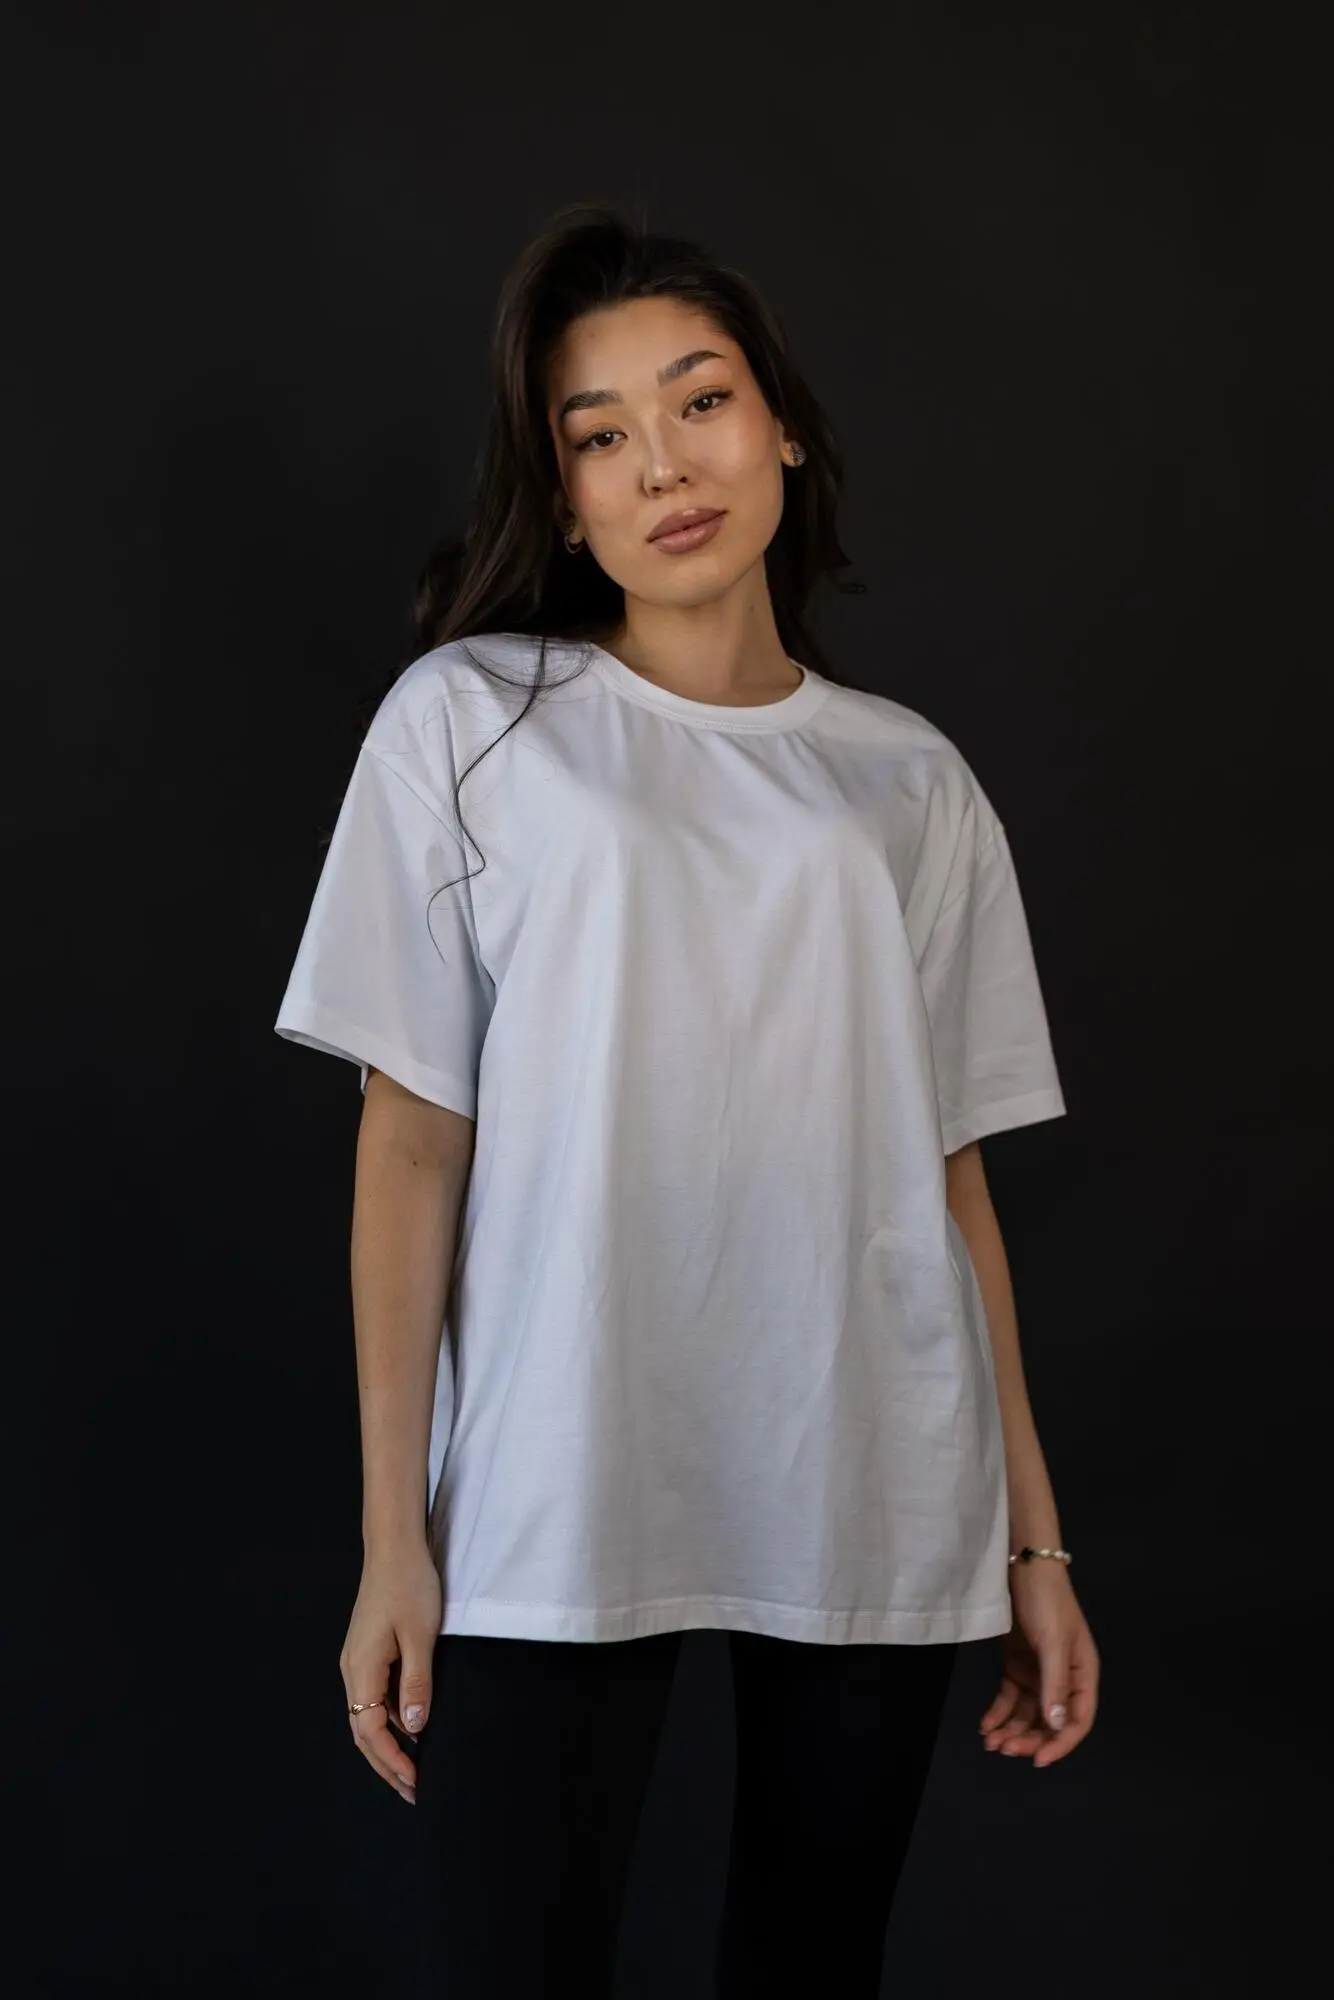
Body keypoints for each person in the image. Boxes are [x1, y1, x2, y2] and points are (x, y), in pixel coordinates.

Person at [274, 203, 1100, 1996]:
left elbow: (950, 1185)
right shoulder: (471, 722)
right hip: (558, 1471)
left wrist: (1029, 1539)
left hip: (872, 1461)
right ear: (561, 497)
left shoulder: (909, 782)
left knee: (812, 1966)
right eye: (599, 435)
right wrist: (393, 1535)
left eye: (701, 400)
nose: (662, 464)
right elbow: (409, 1143)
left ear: (782, 427)